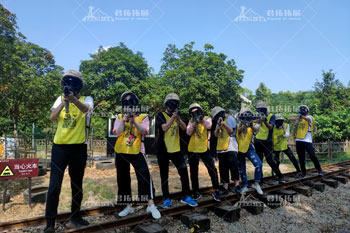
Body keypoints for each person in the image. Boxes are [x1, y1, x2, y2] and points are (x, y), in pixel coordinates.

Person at [44, 70, 93, 233]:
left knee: (76, 185)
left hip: (78, 148)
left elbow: (86, 110)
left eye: (73, 83)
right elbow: (52, 117)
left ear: (79, 85)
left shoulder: (87, 99)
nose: (70, 86)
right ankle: (50, 223)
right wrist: (64, 101)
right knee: (54, 185)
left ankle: (76, 217)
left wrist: (73, 99)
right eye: (67, 83)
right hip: (59, 148)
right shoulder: (60, 98)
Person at [113, 91, 160, 219]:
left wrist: (134, 121)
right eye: (125, 102)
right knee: (123, 178)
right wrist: (123, 121)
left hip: (138, 150)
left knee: (144, 175)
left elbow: (144, 131)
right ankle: (127, 206)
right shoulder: (119, 116)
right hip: (121, 150)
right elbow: (117, 132)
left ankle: (150, 204)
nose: (128, 104)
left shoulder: (143, 116)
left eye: (131, 101)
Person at [156, 93, 198, 208]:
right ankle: (166, 198)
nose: (172, 106)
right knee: (164, 175)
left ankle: (186, 196)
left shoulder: (177, 116)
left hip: (176, 149)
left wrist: (178, 119)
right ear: (166, 104)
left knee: (184, 172)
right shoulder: (160, 115)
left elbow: (184, 128)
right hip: (163, 150)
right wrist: (172, 119)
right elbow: (164, 128)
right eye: (170, 103)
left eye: (174, 104)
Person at [186, 103, 221, 201]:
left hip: (204, 149)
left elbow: (209, 125)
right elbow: (188, 133)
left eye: (196, 111)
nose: (195, 113)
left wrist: (201, 120)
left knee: (212, 169)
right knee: (193, 172)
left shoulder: (206, 118)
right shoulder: (191, 121)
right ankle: (195, 192)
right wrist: (194, 123)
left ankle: (216, 190)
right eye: (192, 112)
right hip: (192, 149)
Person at [211, 106, 242, 195]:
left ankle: (237, 185)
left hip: (231, 146)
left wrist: (224, 124)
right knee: (223, 167)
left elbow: (231, 131)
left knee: (233, 166)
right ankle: (225, 187)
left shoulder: (230, 118)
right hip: (221, 148)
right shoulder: (218, 121)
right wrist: (217, 127)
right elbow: (215, 135)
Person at [253, 101, 286, 183]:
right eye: (259, 110)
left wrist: (264, 120)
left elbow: (270, 127)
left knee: (270, 160)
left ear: (265, 109)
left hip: (267, 142)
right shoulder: (257, 116)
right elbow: (252, 123)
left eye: (261, 109)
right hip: (258, 141)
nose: (260, 111)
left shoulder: (272, 116)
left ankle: (280, 176)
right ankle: (260, 179)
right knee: (259, 161)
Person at [289, 105, 323, 178]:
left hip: (307, 140)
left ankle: (319, 169)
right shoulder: (299, 119)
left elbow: (307, 119)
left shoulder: (310, 117)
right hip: (299, 140)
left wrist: (301, 117)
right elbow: (291, 119)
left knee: (312, 155)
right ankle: (303, 173)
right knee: (301, 158)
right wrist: (298, 118)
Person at [236, 110, 263, 194]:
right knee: (242, 168)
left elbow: (256, 130)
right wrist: (244, 125)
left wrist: (250, 124)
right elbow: (238, 131)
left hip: (249, 147)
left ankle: (256, 183)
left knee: (259, 164)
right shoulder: (238, 123)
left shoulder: (254, 124)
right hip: (239, 148)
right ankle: (245, 185)